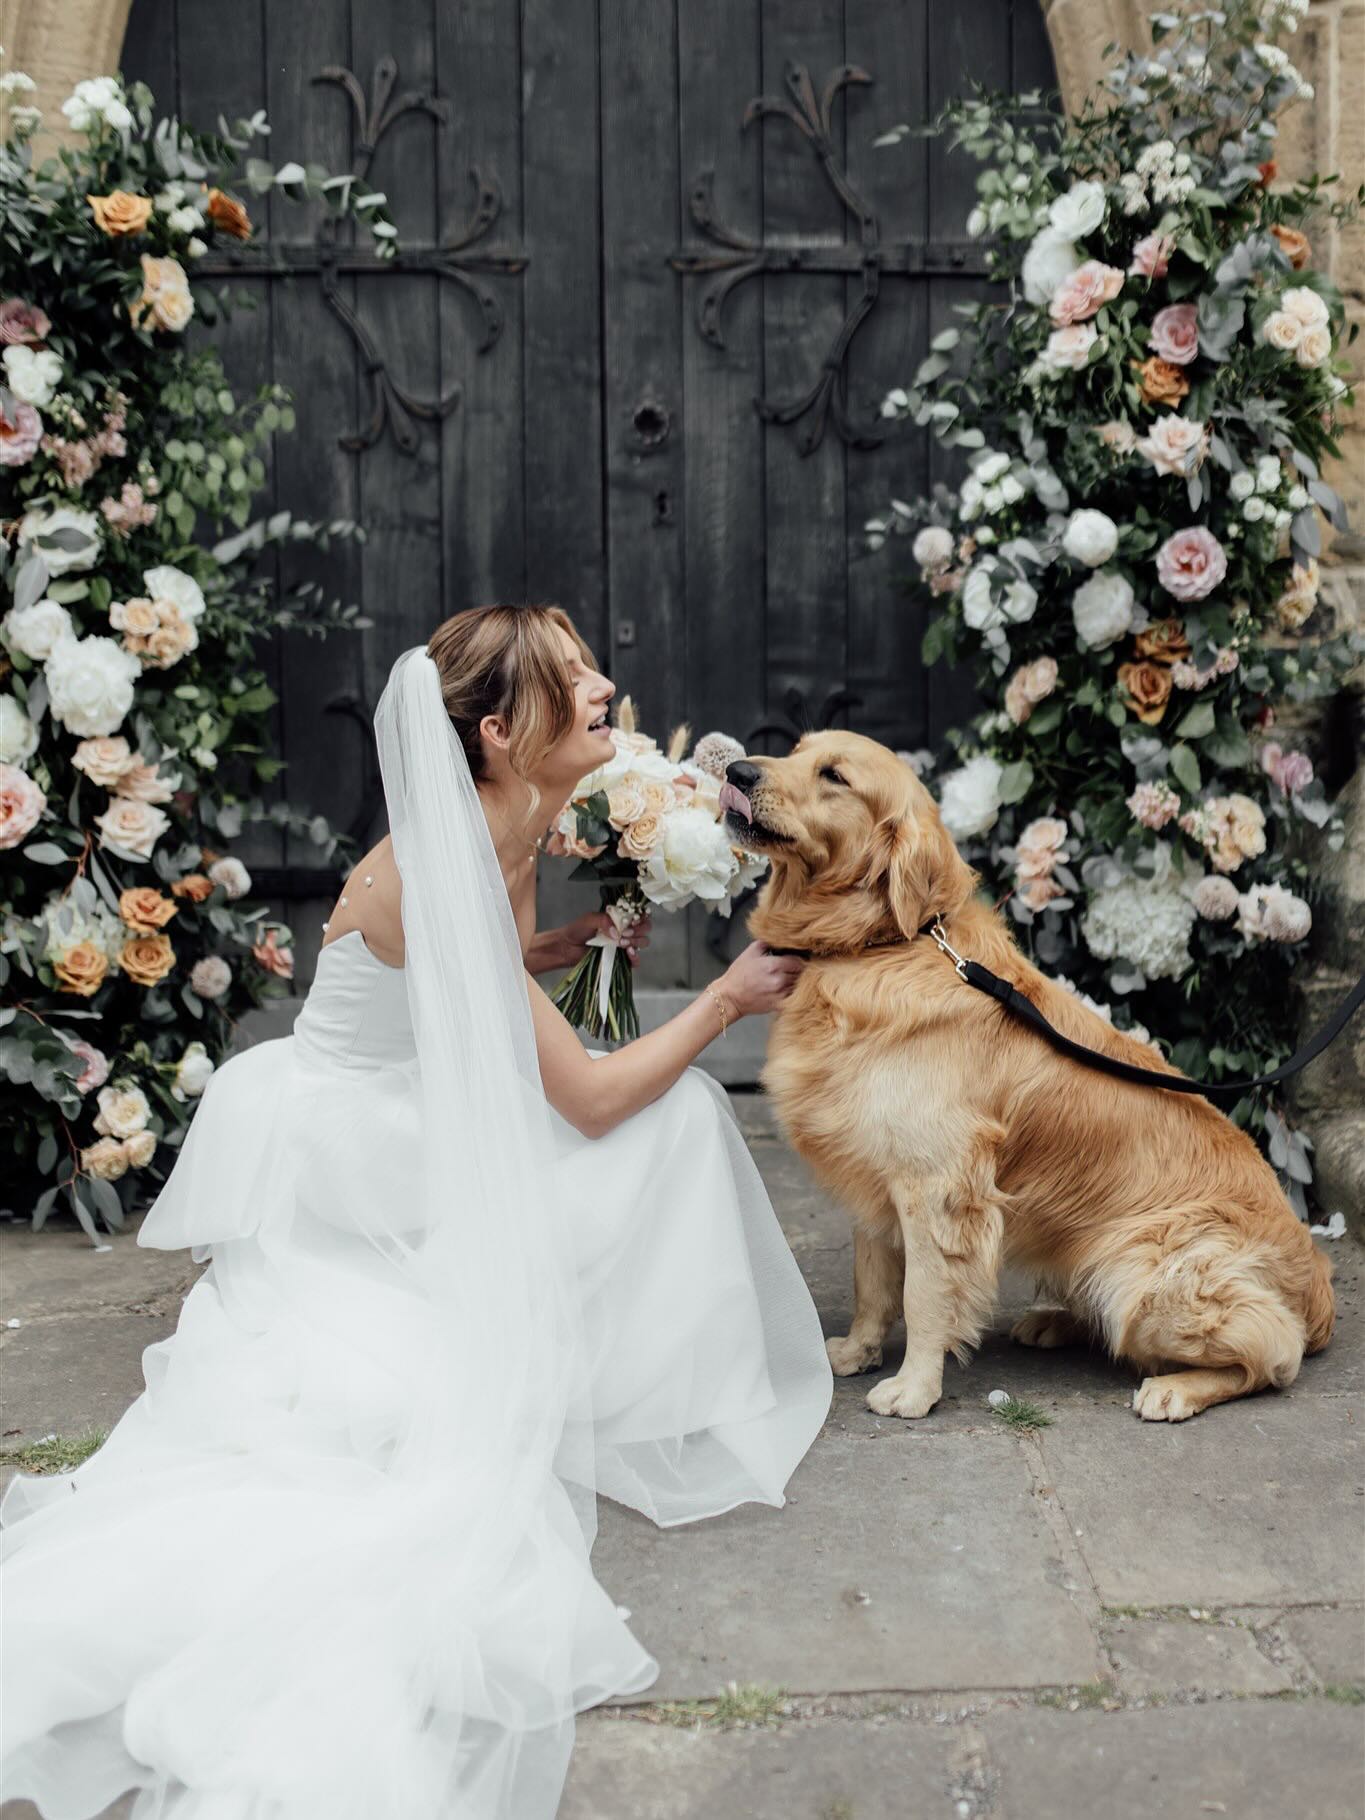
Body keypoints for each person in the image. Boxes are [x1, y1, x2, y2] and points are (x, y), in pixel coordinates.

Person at [0, 604, 833, 1820]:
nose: (607, 687)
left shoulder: (509, 815)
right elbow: (593, 1096)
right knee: (684, 1116)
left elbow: (475, 970)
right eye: (573, 680)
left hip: (417, 1103)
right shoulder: (443, 852)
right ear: (500, 733)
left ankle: (618, 1357)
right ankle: (651, 1381)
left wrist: (569, 943)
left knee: (641, 1137)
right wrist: (722, 1001)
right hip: (365, 1154)